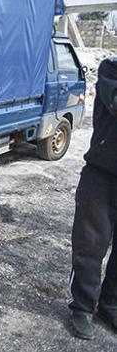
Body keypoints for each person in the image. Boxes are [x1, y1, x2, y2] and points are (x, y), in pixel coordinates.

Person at [69, 57, 117, 340]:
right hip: (101, 176)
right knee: (90, 245)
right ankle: (82, 307)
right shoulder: (111, 69)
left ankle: (109, 305)